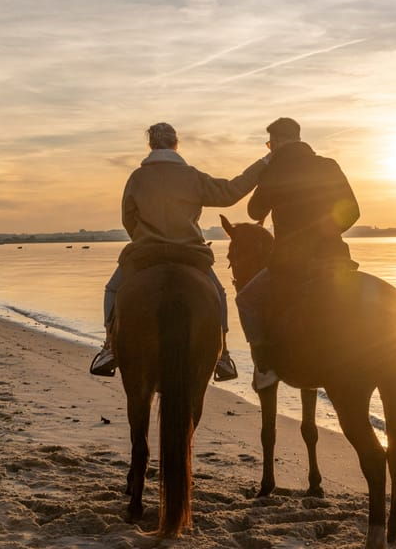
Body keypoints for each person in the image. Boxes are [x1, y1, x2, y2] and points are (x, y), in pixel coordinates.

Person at [90, 122, 269, 379]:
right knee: (218, 294)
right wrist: (263, 163)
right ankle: (224, 354)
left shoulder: (137, 178)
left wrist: (142, 237)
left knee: (112, 289)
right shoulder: (192, 177)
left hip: (146, 252)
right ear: (176, 144)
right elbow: (231, 192)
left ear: (151, 145)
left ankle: (109, 346)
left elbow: (128, 217)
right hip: (190, 254)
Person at [235, 117, 360, 382]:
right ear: (299, 137)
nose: (270, 148)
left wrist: (266, 172)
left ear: (277, 142)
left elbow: (254, 211)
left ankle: (265, 364)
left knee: (246, 300)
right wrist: (325, 235)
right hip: (335, 259)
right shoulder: (329, 165)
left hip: (289, 264)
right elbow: (353, 211)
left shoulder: (274, 171)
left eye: (270, 144)